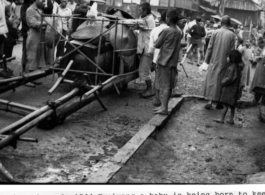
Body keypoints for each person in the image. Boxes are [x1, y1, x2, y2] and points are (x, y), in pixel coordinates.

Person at [202, 15, 236, 110]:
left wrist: (206, 61)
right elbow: (233, 50)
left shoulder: (214, 32)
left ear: (221, 23)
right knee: (222, 81)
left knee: (212, 79)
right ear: (229, 24)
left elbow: (210, 47)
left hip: (214, 60)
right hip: (225, 62)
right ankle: (219, 102)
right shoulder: (232, 35)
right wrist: (232, 63)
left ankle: (209, 101)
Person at [122, 2, 155, 98]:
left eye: (140, 10)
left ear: (145, 10)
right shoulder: (146, 18)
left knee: (144, 69)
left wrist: (120, 20)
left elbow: (134, 22)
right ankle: (149, 88)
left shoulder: (147, 19)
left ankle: (150, 89)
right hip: (145, 47)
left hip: (147, 48)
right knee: (145, 68)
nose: (139, 12)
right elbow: (137, 25)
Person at [152, 9, 182, 115]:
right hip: (173, 62)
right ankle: (164, 106)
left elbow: (156, 45)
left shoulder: (166, 31)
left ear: (168, 19)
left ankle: (164, 108)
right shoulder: (179, 32)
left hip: (164, 61)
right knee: (168, 86)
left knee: (165, 86)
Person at [214, 50, 242, 124]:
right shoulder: (237, 67)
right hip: (234, 89)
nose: (226, 58)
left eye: (228, 57)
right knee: (232, 105)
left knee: (226, 105)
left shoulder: (232, 68)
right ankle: (231, 119)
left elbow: (230, 78)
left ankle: (222, 118)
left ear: (232, 58)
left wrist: (223, 82)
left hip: (229, 89)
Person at [148, 11, 168, 107]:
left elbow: (151, 48)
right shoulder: (174, 30)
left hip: (157, 59)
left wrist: (152, 60)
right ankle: (165, 101)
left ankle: (157, 99)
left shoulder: (155, 30)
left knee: (157, 79)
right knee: (168, 80)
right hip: (169, 60)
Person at [25, 0, 47, 74]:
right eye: (42, 1)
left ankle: (33, 77)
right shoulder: (30, 10)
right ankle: (27, 78)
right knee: (31, 56)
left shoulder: (40, 9)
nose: (43, 3)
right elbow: (32, 23)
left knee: (37, 57)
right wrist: (46, 23)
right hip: (33, 34)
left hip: (39, 33)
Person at [249, 38, 265, 103]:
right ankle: (257, 98)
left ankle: (258, 99)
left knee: (260, 83)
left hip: (262, 68)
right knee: (258, 82)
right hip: (260, 67)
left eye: (260, 45)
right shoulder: (262, 49)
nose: (259, 46)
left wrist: (260, 58)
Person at [20, 0, 32, 72]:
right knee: (25, 51)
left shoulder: (35, 5)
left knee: (32, 52)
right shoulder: (24, 7)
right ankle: (24, 70)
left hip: (34, 32)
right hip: (26, 32)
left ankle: (31, 71)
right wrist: (32, 21)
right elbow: (23, 18)